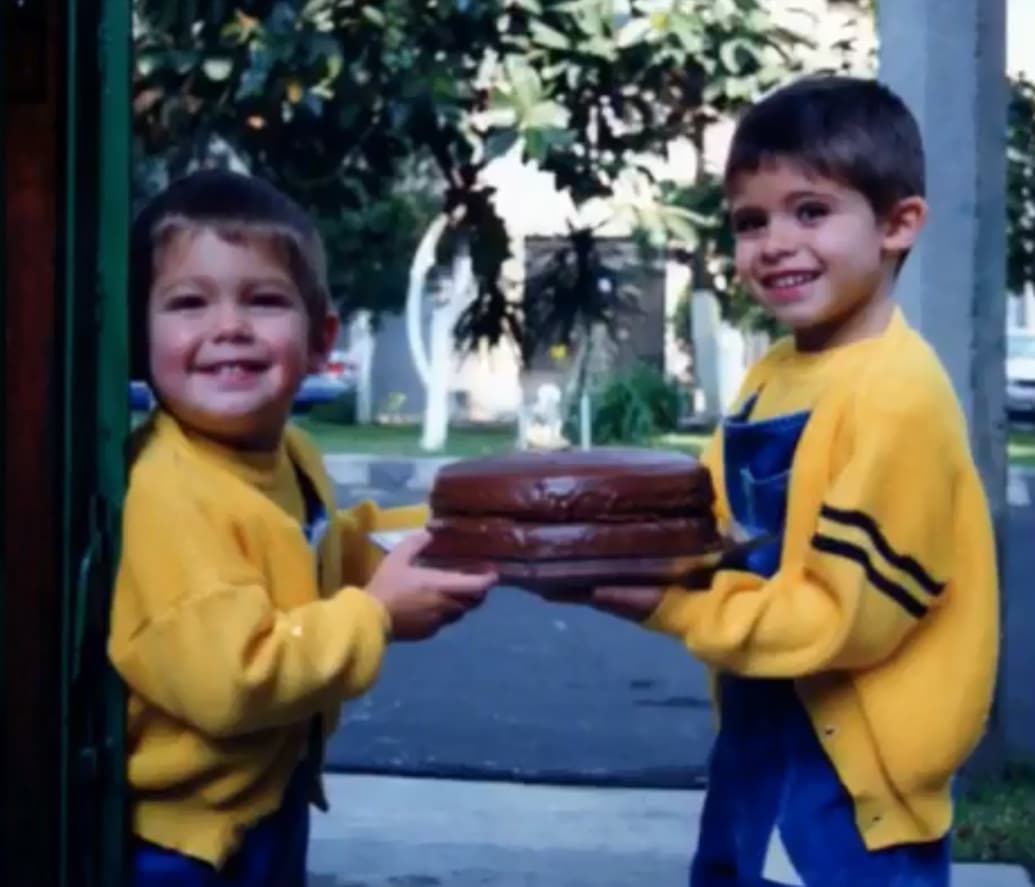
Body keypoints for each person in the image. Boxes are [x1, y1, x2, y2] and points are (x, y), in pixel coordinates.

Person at [575, 76, 999, 886]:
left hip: (850, 777)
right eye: (750, 221)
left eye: (810, 211)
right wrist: (563, 536)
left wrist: (666, 603)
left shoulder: (896, 395)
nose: (773, 242)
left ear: (897, 224)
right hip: (760, 730)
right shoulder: (777, 372)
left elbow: (845, 623)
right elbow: (698, 516)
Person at [107, 168, 496, 886]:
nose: (229, 327)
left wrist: (458, 526)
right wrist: (375, 615)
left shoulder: (288, 453)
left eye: (263, 300)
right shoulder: (168, 491)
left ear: (319, 340)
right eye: (189, 303)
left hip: (266, 798)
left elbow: (322, 543)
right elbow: (229, 681)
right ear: (138, 338)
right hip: (185, 839)